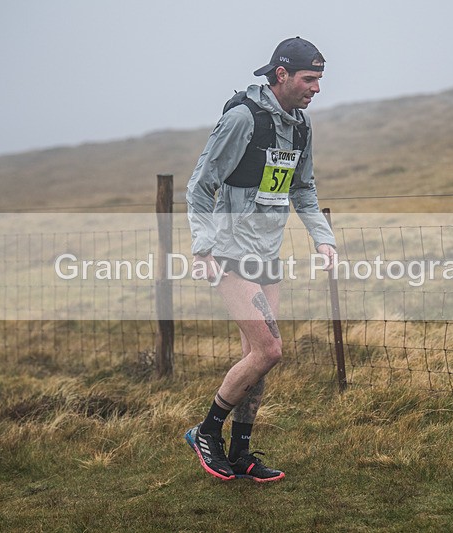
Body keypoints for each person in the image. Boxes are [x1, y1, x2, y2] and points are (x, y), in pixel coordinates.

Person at [184, 36, 336, 482]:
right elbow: (200, 185)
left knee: (258, 354)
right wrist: (204, 247)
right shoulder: (242, 118)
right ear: (281, 74)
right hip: (230, 252)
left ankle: (241, 453)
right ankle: (206, 432)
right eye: (310, 79)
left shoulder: (302, 126)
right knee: (270, 348)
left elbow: (303, 189)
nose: (317, 89)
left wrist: (322, 239)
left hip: (268, 252)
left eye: (320, 79)